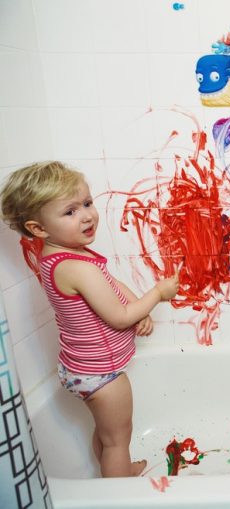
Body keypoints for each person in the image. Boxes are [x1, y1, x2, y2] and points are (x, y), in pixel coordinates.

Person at [0, 161, 179, 477]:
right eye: (70, 212)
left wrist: (140, 306)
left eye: (87, 203)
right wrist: (157, 293)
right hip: (101, 375)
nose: (86, 215)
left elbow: (109, 286)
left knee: (108, 435)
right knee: (117, 440)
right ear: (38, 229)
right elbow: (120, 317)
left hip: (81, 366)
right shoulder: (76, 266)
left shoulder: (65, 255)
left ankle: (117, 470)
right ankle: (118, 489)